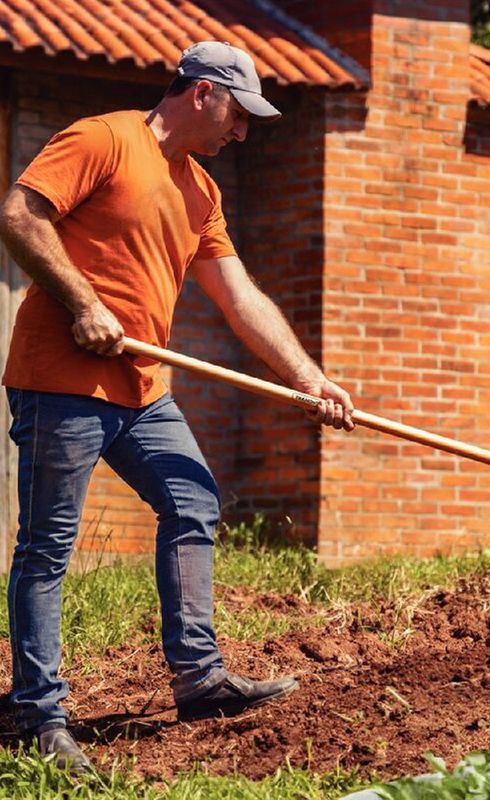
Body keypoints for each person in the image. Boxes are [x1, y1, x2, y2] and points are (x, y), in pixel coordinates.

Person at [0, 41, 355, 773]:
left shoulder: (201, 192)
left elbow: (239, 296)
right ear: (200, 94)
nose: (243, 132)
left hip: (143, 386)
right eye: (238, 114)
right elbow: (20, 215)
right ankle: (37, 713)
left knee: (192, 499)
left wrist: (308, 376)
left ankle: (199, 679)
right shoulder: (103, 139)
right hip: (61, 379)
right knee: (48, 546)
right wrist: (85, 302)